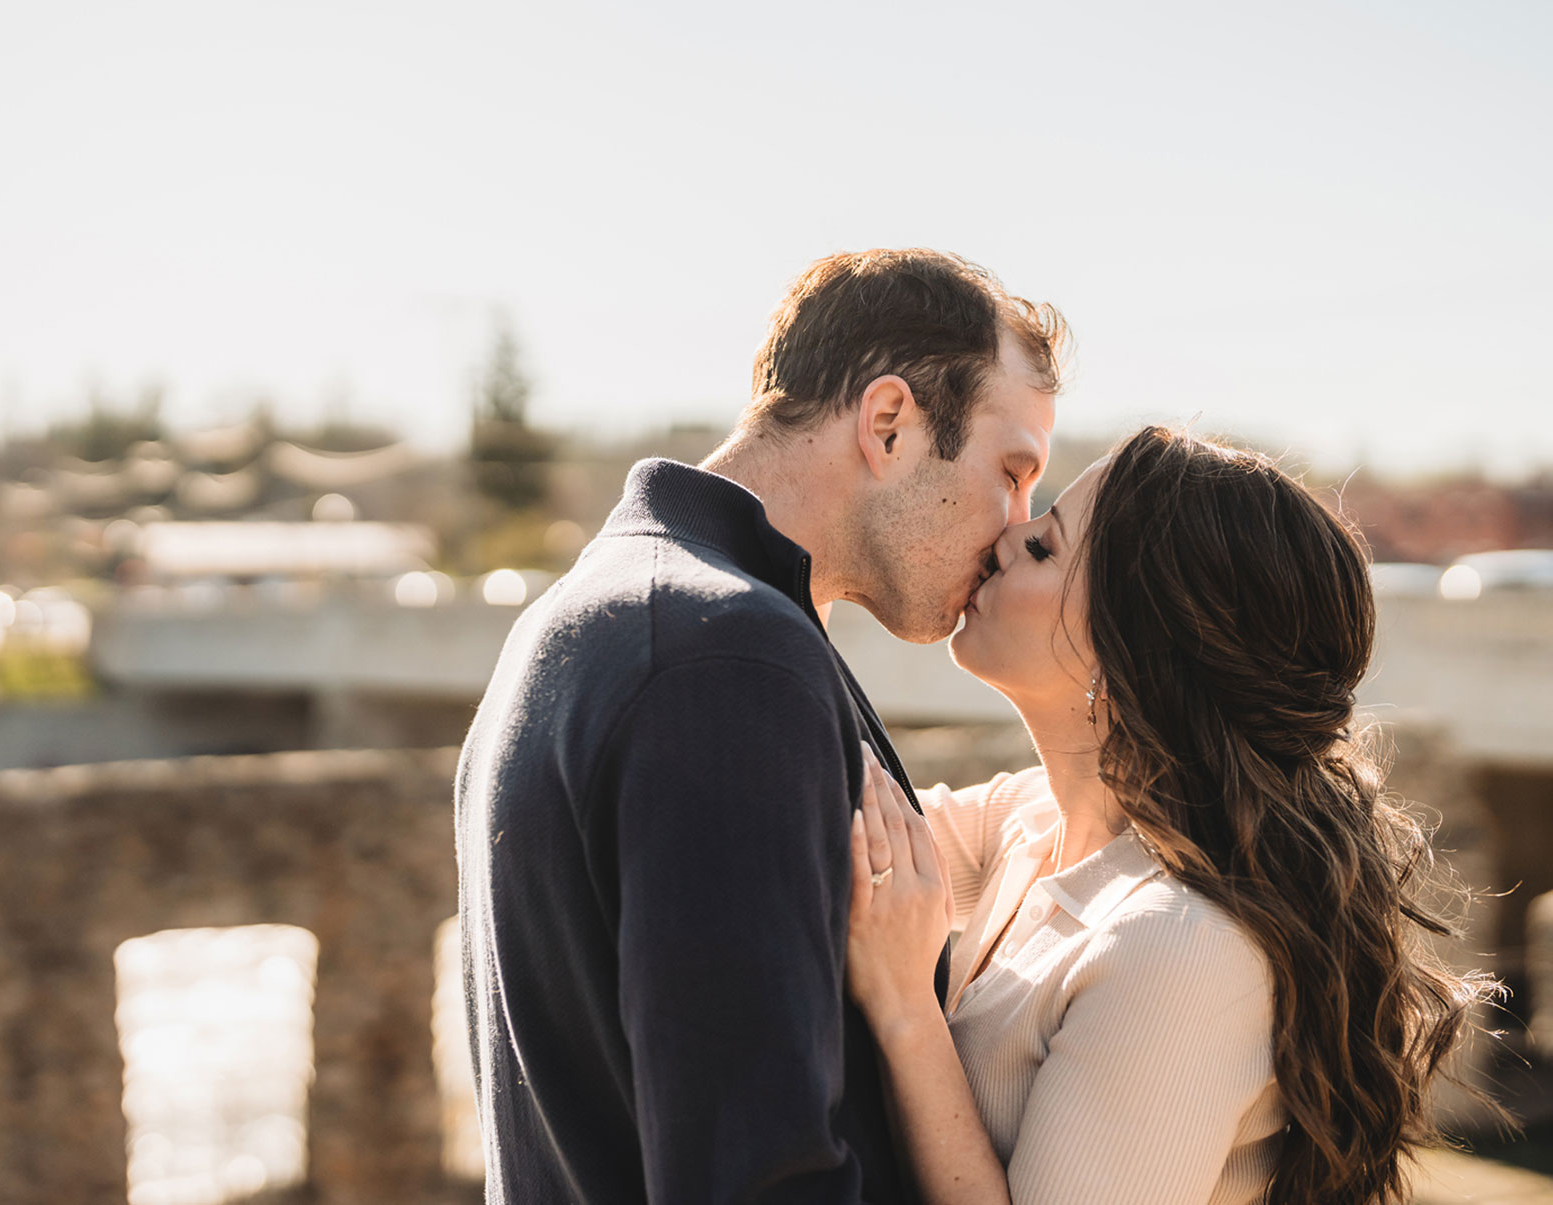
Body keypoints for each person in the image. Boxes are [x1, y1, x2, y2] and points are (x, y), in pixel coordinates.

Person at [455, 248, 1070, 1202]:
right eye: (1012, 470)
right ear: (890, 422)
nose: (1012, 527)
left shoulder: (597, 616)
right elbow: (759, 1175)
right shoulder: (725, 662)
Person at [844, 426, 1498, 1205]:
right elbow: (819, 822)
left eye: (1046, 546)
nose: (1005, 537)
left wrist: (905, 1011)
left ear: (1128, 650)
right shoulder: (1030, 823)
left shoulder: (1178, 951)